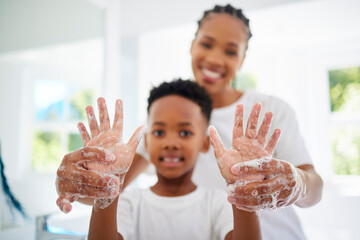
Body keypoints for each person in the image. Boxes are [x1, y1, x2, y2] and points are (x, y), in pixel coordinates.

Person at [56, 4, 323, 240]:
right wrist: (71, 182)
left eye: (231, 52)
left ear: (242, 59)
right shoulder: (166, 120)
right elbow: (106, 188)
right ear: (192, 45)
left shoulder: (269, 110)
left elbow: (314, 187)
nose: (215, 59)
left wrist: (298, 182)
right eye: (206, 44)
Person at [64, 79, 267, 240]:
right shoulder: (129, 203)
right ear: (147, 143)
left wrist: (244, 195)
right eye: (159, 132)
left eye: (185, 133)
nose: (170, 143)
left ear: (205, 144)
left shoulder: (218, 203)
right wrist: (106, 194)